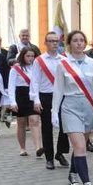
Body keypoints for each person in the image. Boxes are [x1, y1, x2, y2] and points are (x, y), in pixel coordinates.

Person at [52, 30, 93, 185]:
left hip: (88, 106)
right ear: (69, 44)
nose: (79, 43)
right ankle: (87, 182)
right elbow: (58, 90)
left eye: (81, 40)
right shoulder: (62, 64)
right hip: (70, 106)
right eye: (75, 40)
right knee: (79, 146)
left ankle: (73, 173)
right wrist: (53, 112)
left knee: (81, 145)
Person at [30, 32, 71, 169]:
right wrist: (36, 100)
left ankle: (60, 153)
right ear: (45, 43)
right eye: (51, 41)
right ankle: (49, 157)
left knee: (65, 125)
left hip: (62, 96)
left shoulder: (64, 58)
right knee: (47, 127)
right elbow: (34, 81)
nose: (54, 43)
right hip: (46, 96)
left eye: (56, 41)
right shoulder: (39, 60)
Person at [7, 45, 43, 157]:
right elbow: (11, 86)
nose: (30, 58)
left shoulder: (37, 67)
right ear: (23, 56)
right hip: (20, 95)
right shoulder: (16, 68)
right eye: (28, 56)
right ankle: (22, 148)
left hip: (33, 95)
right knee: (21, 123)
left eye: (32, 56)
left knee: (35, 120)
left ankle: (38, 147)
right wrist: (12, 102)